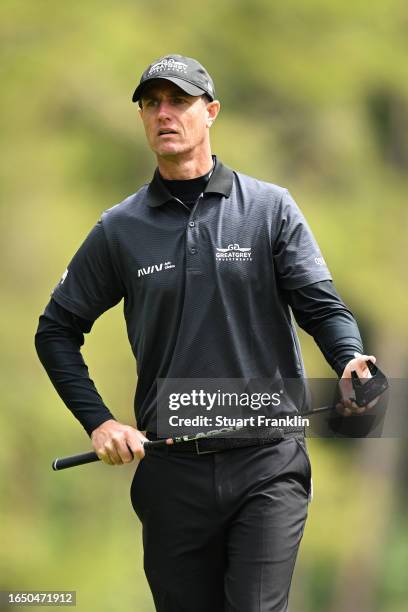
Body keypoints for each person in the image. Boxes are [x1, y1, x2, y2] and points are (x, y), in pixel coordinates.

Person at [35, 54, 377, 612]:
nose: (163, 114)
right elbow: (56, 330)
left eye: (179, 101)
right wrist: (98, 422)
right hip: (171, 471)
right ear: (143, 118)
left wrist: (349, 357)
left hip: (267, 461)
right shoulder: (120, 229)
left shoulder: (268, 209)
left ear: (211, 112)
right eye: (152, 104)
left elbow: (321, 305)